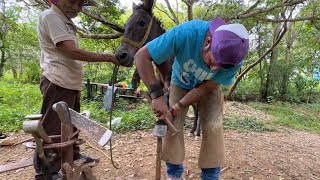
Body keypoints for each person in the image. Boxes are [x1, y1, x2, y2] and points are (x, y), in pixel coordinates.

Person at [135, 18, 249, 180]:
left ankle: (210, 176)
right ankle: (174, 174)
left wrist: (180, 105)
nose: (214, 69)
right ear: (208, 42)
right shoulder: (185, 33)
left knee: (213, 125)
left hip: (209, 86)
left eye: (220, 67)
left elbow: (207, 86)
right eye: (213, 61)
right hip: (180, 80)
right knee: (173, 122)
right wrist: (157, 96)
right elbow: (141, 57)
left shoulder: (235, 58)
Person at [35, 0, 118, 179]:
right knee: (54, 128)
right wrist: (109, 58)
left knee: (72, 124)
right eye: (73, 2)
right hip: (57, 81)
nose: (77, 8)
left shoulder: (64, 20)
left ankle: (73, 155)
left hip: (68, 82)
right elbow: (70, 51)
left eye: (80, 4)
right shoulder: (51, 17)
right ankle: (47, 171)